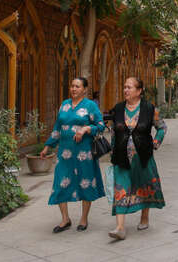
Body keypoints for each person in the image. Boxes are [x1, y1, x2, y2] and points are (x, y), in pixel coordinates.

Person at [40, 77, 106, 233]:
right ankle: (65, 219)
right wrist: (47, 146)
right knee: (60, 183)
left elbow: (101, 125)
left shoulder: (90, 105)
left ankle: (84, 219)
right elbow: (57, 128)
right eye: (72, 86)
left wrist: (86, 129)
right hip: (65, 153)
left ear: (85, 89)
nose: (74, 89)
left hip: (84, 153)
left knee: (85, 183)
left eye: (77, 86)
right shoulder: (64, 104)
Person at [107, 77, 166, 240]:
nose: (125, 90)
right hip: (121, 157)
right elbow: (114, 132)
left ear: (139, 91)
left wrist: (155, 143)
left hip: (143, 156)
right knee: (121, 188)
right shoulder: (118, 108)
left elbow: (162, 128)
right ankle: (120, 227)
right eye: (124, 87)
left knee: (144, 186)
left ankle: (144, 217)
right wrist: (112, 150)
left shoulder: (149, 108)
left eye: (129, 87)